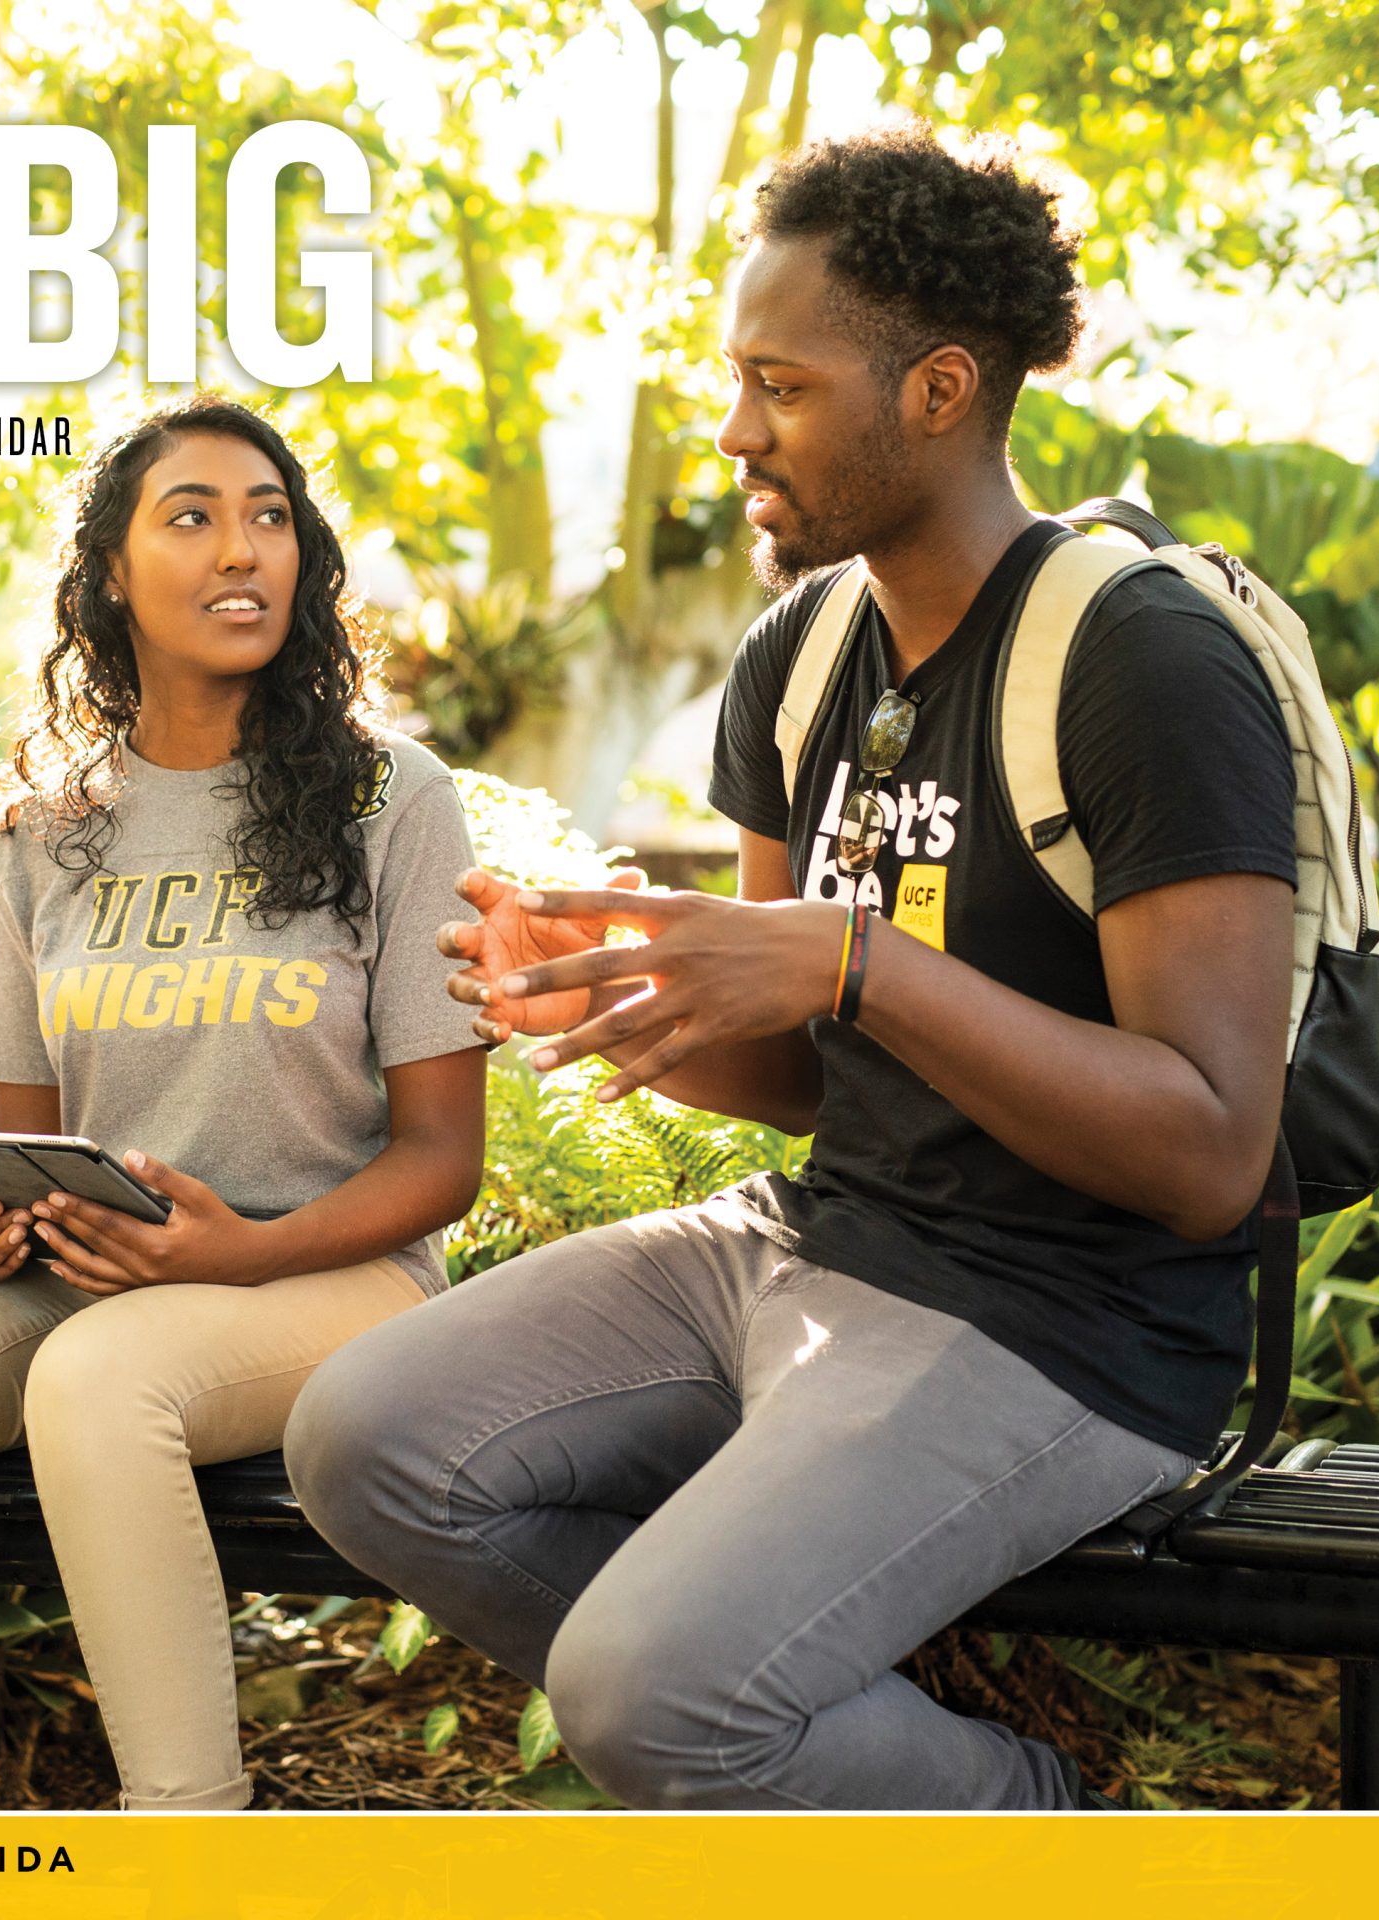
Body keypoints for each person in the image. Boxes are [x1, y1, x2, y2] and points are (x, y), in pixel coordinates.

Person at [285, 124, 1300, 1810]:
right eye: (734, 379)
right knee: (364, 1442)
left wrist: (853, 960)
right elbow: (800, 1070)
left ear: (939, 389)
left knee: (647, 1696)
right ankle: (773, 1723)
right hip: (817, 1241)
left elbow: (1210, 1157)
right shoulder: (806, 650)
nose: (737, 431)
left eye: (781, 384)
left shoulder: (1138, 658)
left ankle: (1045, 1825)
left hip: (1070, 1319)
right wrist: (622, 996)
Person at [0, 394, 487, 1810]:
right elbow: (21, 1136)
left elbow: (443, 1160)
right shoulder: (48, 821)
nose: (242, 551)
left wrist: (235, 1250)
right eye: (194, 517)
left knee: (104, 1381)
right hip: (102, 1268)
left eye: (270, 517)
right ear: (110, 570)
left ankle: (189, 1850)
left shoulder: (390, 799)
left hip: (337, 1271)